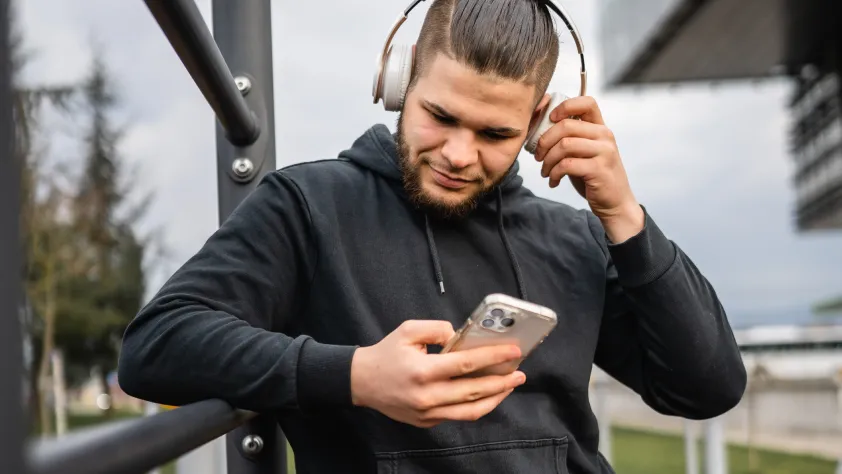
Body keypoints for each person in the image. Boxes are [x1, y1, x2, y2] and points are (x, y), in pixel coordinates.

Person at [117, 0, 747, 472]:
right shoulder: (308, 207)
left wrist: (625, 217)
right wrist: (357, 376)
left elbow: (706, 388)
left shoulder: (576, 237)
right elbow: (156, 346)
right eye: (440, 117)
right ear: (401, 80)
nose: (458, 154)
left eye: (495, 134)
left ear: (536, 121)